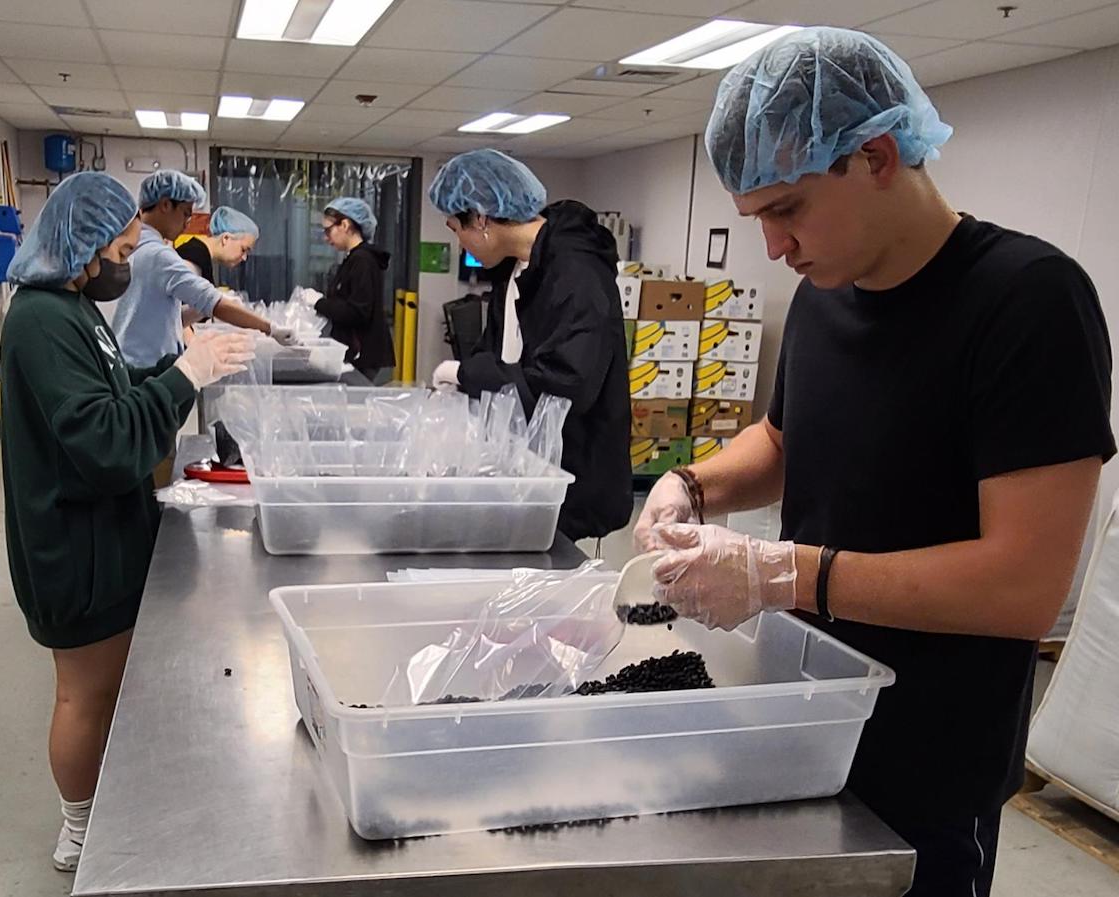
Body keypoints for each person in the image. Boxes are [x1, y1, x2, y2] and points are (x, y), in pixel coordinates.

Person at [635, 28, 1114, 897]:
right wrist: (694, 482)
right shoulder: (826, 295)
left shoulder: (1029, 303)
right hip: (804, 718)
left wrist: (784, 573)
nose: (774, 247)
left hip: (927, 764)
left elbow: (1023, 588)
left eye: (787, 209)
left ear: (879, 155)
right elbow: (786, 438)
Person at [0, 172, 254, 872]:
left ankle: (107, 804)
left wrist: (181, 365)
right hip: (73, 548)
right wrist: (183, 379)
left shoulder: (73, 308)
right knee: (85, 691)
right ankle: (79, 830)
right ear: (80, 245)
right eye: (118, 248)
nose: (124, 261)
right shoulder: (42, 320)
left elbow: (112, 397)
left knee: (110, 689)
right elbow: (106, 444)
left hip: (103, 535)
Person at [427, 148, 633, 541]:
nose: (460, 244)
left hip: (569, 480)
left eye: (456, 229)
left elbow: (566, 383)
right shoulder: (516, 267)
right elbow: (501, 351)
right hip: (526, 469)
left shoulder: (577, 271)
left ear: (482, 218)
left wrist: (466, 373)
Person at [112, 170, 294, 369]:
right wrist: (270, 328)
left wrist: (200, 310)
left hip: (130, 363)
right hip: (145, 367)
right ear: (165, 205)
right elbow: (213, 303)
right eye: (185, 214)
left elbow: (165, 314)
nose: (187, 223)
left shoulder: (138, 247)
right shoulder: (159, 255)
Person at [313, 196, 395, 383]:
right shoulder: (355, 259)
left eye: (328, 230)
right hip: (356, 350)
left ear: (345, 225)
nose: (326, 238)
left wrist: (319, 303)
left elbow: (358, 312)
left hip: (362, 354)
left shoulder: (363, 260)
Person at [175, 204, 260, 286]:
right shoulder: (194, 257)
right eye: (243, 249)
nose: (244, 258)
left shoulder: (200, 254)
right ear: (225, 238)